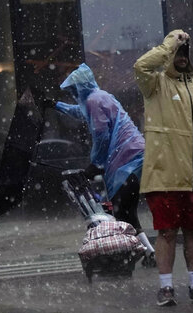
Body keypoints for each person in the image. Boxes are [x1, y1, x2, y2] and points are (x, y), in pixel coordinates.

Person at [134, 29, 193, 306]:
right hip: (164, 175)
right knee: (167, 232)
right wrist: (172, 41)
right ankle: (166, 287)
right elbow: (141, 65)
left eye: (185, 52)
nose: (181, 56)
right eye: (177, 52)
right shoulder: (155, 84)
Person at [42, 63, 156, 267]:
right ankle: (148, 252)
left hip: (127, 159)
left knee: (122, 211)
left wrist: (94, 164)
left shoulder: (94, 100)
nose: (74, 94)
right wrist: (56, 105)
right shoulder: (99, 97)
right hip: (134, 156)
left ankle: (148, 253)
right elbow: (80, 112)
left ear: (81, 87)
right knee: (125, 211)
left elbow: (101, 135)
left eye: (74, 90)